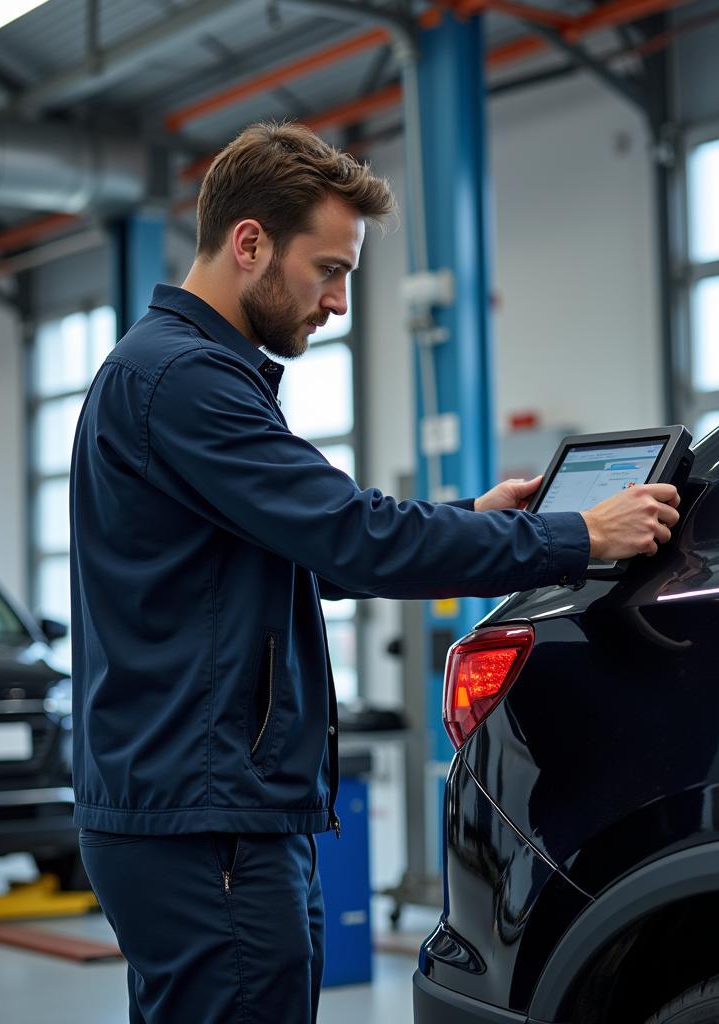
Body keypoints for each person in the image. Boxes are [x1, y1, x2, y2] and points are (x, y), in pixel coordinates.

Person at [69, 121, 680, 1024]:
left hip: (208, 810)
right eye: (330, 269)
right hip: (207, 819)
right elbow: (356, 535)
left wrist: (474, 522)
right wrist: (575, 538)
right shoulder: (183, 382)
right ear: (250, 244)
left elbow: (294, 556)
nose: (339, 303)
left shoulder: (177, 375)